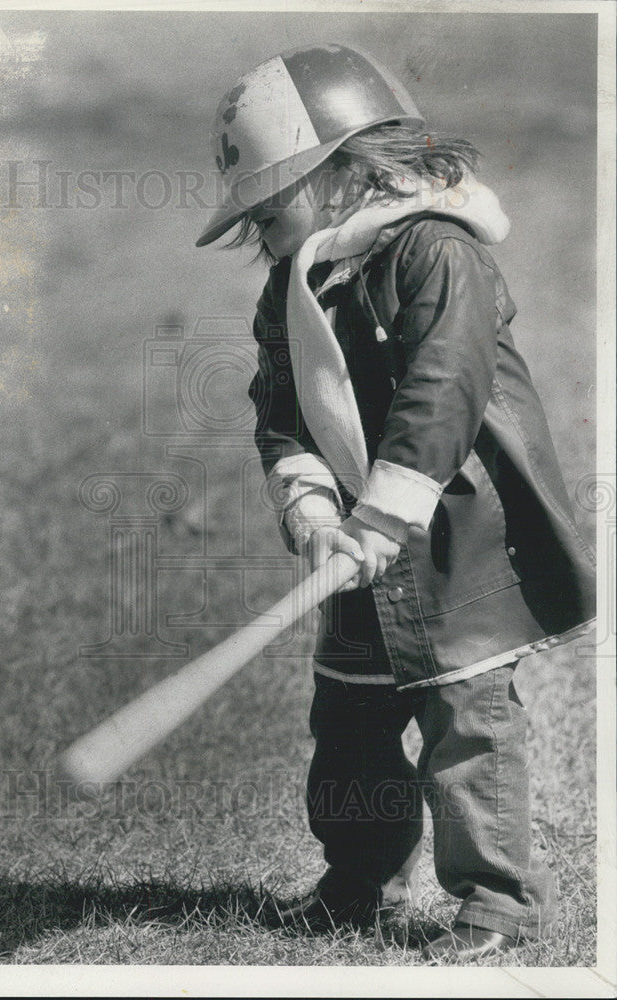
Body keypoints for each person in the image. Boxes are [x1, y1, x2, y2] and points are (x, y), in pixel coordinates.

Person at [195, 43, 596, 961]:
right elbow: (281, 406)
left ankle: (495, 899)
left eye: (270, 207)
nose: (263, 235)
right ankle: (356, 880)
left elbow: (442, 391)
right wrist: (312, 508)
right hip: (356, 547)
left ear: (342, 170)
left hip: (460, 533)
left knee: (468, 725)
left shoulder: (437, 252)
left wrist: (385, 512)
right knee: (349, 724)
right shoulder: (292, 285)